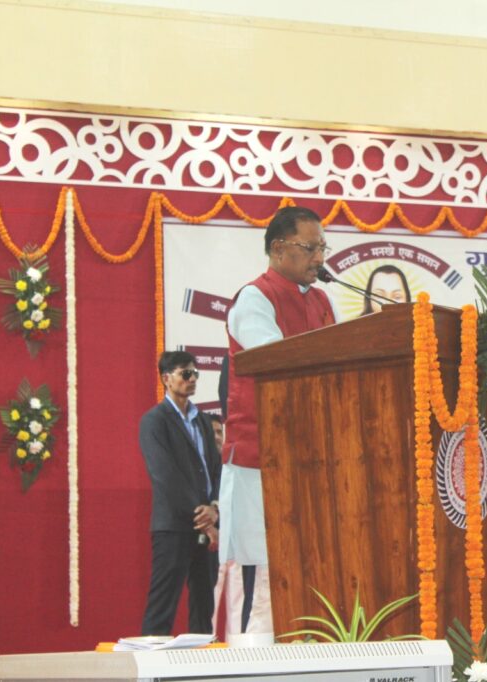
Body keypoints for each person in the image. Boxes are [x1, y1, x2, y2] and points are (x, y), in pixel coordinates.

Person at [220, 206, 336, 634]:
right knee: (261, 576)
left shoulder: (321, 301)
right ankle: (246, 659)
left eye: (322, 248)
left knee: (305, 568)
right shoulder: (255, 297)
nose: (319, 258)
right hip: (260, 459)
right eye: (310, 248)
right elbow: (277, 362)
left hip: (309, 457)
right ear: (277, 248)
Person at [138, 351, 222, 635]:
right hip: (174, 525)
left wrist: (214, 508)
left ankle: (201, 659)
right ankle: (152, 660)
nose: (192, 379)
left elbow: (216, 469)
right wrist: (203, 517)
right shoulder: (154, 421)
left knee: (204, 604)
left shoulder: (203, 422)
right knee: (163, 604)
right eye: (186, 374)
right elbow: (165, 475)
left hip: (207, 525)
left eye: (195, 373)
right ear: (167, 378)